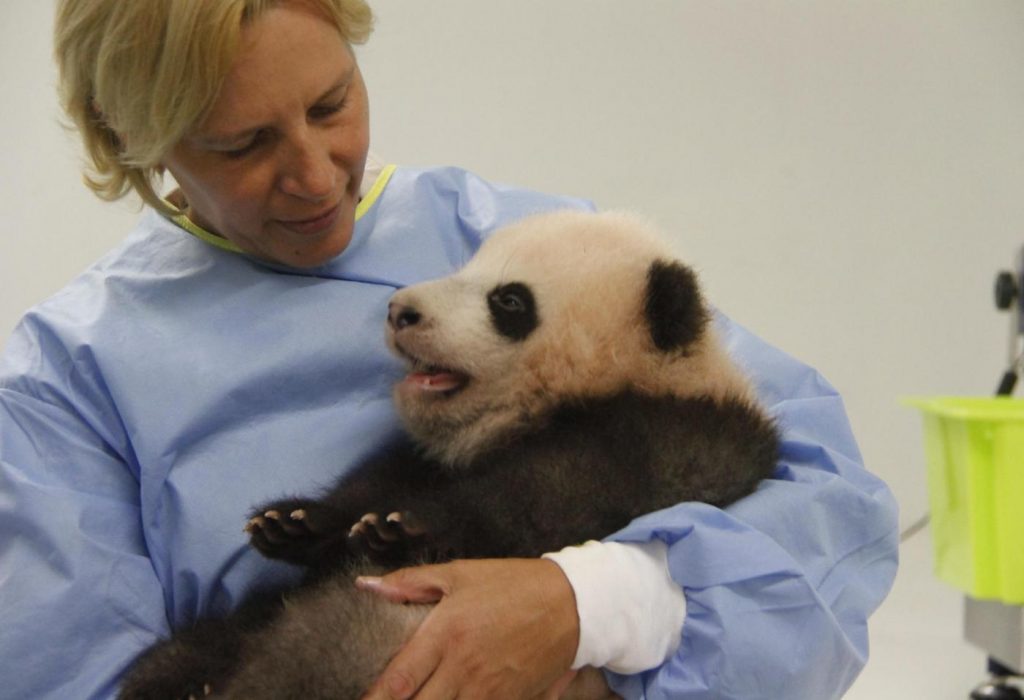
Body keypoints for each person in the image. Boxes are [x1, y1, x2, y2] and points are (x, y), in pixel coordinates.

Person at [0, 1, 899, 698]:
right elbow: (70, 672)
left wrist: (592, 603)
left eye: (331, 104)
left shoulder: (534, 245)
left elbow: (828, 523)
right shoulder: (67, 378)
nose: (314, 174)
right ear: (136, 140)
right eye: (242, 143)